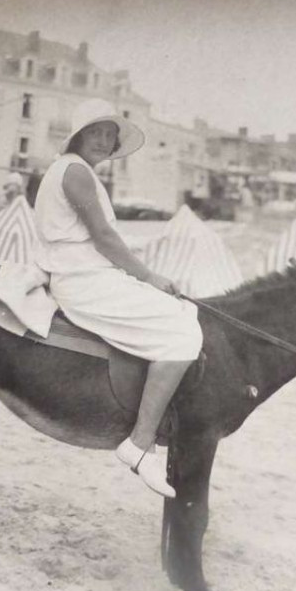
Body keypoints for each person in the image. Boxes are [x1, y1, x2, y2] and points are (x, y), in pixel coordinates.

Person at [34, 100, 202, 499]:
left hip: (89, 274)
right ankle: (140, 443)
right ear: (78, 136)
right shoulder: (74, 170)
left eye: (110, 136)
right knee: (183, 335)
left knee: (184, 310)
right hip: (83, 280)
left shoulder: (76, 172)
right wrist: (149, 276)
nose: (104, 141)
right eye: (96, 132)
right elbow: (104, 238)